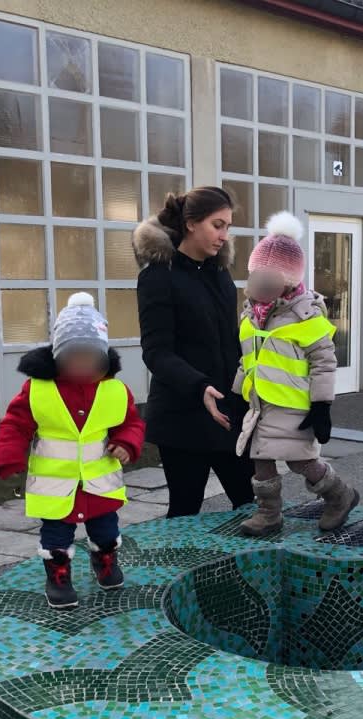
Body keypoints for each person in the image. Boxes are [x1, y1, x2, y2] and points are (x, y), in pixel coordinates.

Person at [0, 293, 145, 609]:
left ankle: (105, 560)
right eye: (74, 356)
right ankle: (58, 575)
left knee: (106, 529)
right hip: (55, 485)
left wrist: (127, 444)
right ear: (58, 355)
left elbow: (130, 423)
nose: (82, 364)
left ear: (102, 357)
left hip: (99, 482)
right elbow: (15, 423)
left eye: (90, 357)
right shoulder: (38, 389)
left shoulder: (115, 390)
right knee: (56, 534)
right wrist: (9, 454)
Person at [232, 212, 359, 536]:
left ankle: (339, 495)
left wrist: (322, 406)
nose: (260, 285)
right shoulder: (251, 316)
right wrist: (237, 395)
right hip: (261, 404)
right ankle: (269, 515)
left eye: (269, 278)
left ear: (287, 282)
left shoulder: (304, 315)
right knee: (261, 458)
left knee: (299, 460)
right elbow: (247, 360)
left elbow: (324, 360)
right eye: (256, 276)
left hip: (294, 404)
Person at [133, 186, 255, 517]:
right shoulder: (158, 277)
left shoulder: (220, 274)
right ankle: (179, 570)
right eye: (217, 225)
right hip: (183, 417)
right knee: (185, 511)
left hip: (229, 413)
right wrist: (198, 385)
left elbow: (231, 341)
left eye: (228, 226)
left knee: (252, 506)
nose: (224, 235)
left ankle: (246, 570)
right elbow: (156, 351)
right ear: (190, 223)